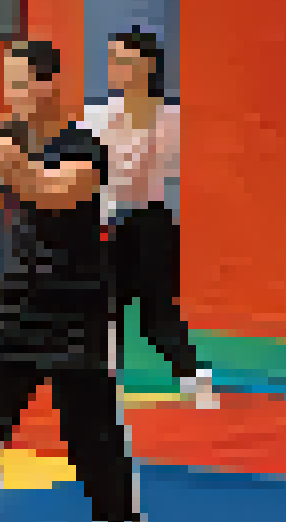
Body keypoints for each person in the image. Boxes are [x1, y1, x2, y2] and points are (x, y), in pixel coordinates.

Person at [0, 40, 161, 522]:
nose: (9, 96)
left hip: (75, 298)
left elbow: (57, 193)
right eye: (7, 84)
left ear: (47, 84)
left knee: (90, 424)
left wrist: (7, 163)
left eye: (18, 84)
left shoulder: (82, 142)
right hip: (20, 289)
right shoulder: (10, 139)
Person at [85, 29, 220, 409]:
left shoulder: (171, 118)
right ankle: (105, 384)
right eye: (111, 58)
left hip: (150, 222)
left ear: (146, 67)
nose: (113, 67)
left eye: (122, 60)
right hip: (109, 220)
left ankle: (194, 376)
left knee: (156, 311)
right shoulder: (97, 115)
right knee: (105, 308)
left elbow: (174, 170)